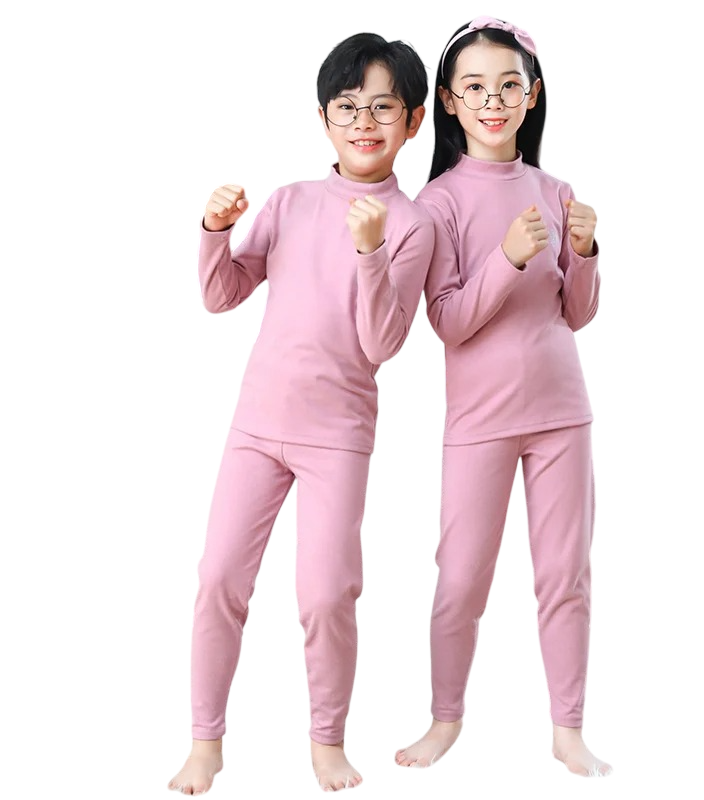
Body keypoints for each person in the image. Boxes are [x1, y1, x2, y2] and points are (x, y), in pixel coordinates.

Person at [168, 32, 433, 795]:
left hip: (336, 438)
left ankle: (326, 743)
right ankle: (206, 743)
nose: (364, 122)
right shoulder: (289, 201)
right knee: (219, 578)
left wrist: (371, 252)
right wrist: (215, 230)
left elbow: (382, 344)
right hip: (256, 428)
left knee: (325, 594)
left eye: (383, 106)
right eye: (347, 106)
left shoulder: (413, 225)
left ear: (413, 121)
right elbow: (220, 294)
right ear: (323, 118)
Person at [394, 16, 612, 778]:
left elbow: (576, 313)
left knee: (565, 577)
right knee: (460, 578)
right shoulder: (438, 204)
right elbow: (449, 322)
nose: (494, 100)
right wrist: (508, 259)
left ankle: (568, 729)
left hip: (562, 415)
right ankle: (444, 718)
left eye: (509, 85)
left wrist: (584, 251)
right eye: (476, 87)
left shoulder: (555, 191)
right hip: (480, 422)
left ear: (532, 95)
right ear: (450, 101)